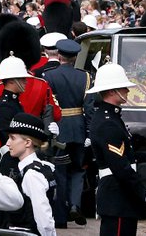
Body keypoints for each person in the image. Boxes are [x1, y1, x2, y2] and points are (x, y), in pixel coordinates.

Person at [86, 64, 146, 236]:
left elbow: (125, 155)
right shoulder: (108, 122)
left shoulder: (112, 118)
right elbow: (120, 166)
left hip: (121, 197)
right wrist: (142, 192)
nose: (128, 91)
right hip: (118, 197)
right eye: (124, 87)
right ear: (113, 91)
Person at [41, 39, 91, 227]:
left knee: (60, 171)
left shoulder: (49, 76)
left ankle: (61, 215)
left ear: (59, 56)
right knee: (78, 169)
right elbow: (89, 107)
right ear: (75, 57)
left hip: (59, 126)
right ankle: (75, 205)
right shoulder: (85, 77)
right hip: (78, 126)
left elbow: (48, 106)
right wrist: (88, 132)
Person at [1, 115, 57, 236]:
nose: (7, 143)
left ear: (27, 142)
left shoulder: (32, 174)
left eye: (12, 138)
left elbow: (44, 219)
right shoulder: (37, 168)